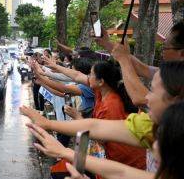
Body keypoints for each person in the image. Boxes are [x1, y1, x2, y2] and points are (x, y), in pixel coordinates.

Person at [20, 61, 184, 168]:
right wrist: (46, 71)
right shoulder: (99, 92)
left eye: (91, 74)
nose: (146, 97)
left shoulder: (112, 104)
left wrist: (56, 124)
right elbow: (76, 76)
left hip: (121, 160)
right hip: (107, 155)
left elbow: (98, 132)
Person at [27, 101, 184, 179]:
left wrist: (64, 150)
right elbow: (120, 172)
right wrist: (64, 151)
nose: (152, 142)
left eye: (160, 136)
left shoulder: (111, 105)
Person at [96, 21, 184, 106]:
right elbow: (142, 68)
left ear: (182, 53)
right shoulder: (172, 73)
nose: (162, 52)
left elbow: (141, 99)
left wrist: (124, 59)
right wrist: (107, 43)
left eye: (165, 47)